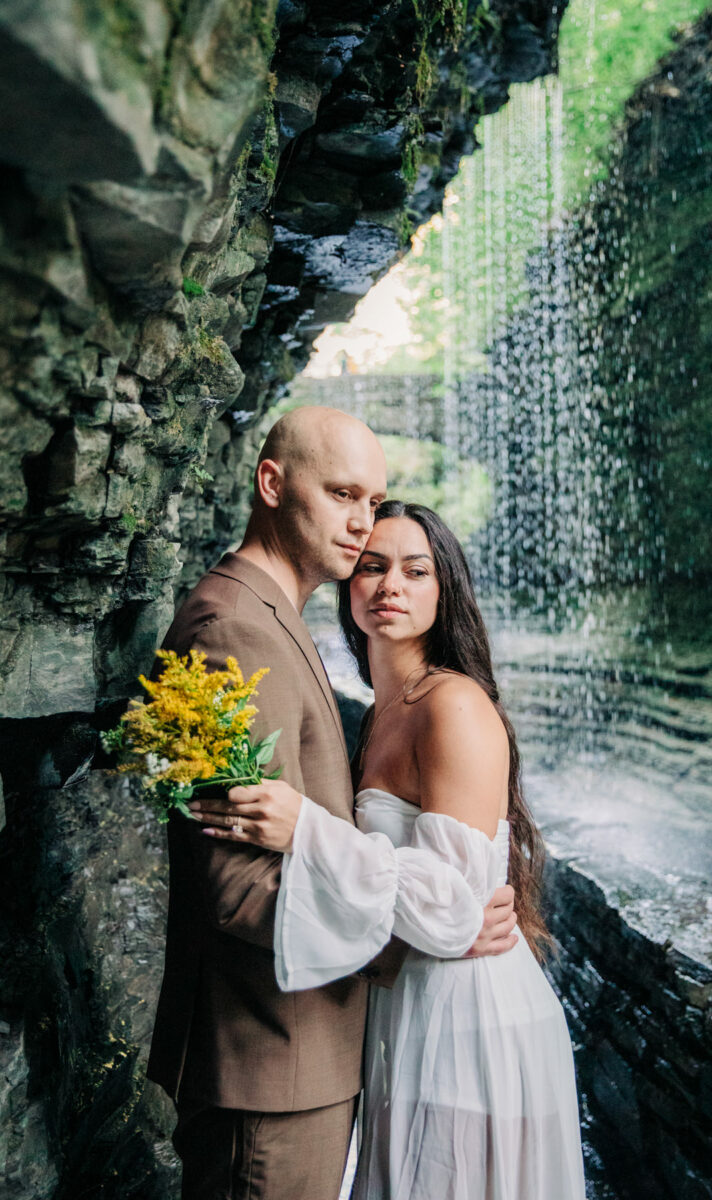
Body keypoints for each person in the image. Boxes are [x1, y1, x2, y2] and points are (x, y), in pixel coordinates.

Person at [146, 409, 519, 1200]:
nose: (362, 523)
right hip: (268, 1062)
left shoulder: (280, 621)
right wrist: (423, 936)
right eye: (344, 493)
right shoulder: (232, 631)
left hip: (308, 1058)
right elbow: (239, 887)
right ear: (273, 484)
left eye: (373, 499)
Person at [192, 500, 586, 1199]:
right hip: (406, 1004)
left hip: (468, 1019)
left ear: (446, 590)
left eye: (416, 570)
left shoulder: (452, 705)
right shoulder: (383, 711)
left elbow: (454, 911)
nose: (390, 586)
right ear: (349, 585)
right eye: (372, 567)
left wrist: (305, 828)